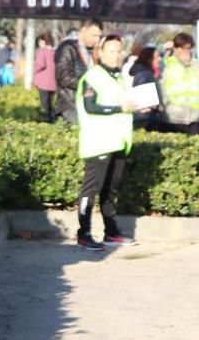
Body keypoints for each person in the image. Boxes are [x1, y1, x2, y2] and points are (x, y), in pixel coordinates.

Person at [74, 34, 137, 250]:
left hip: (118, 142)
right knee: (90, 191)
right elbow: (91, 107)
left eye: (119, 50)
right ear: (100, 53)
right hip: (98, 143)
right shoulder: (93, 76)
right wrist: (120, 108)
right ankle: (84, 234)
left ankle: (111, 232)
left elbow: (123, 106)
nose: (116, 55)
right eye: (111, 50)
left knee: (110, 191)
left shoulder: (117, 77)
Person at [55, 18, 103, 124]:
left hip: (89, 103)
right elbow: (63, 77)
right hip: (70, 105)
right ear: (83, 31)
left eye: (99, 36)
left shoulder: (93, 52)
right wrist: (88, 86)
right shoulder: (68, 48)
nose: (97, 40)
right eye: (94, 35)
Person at [159, 33, 198, 134]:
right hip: (172, 118)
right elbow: (147, 54)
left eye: (188, 48)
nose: (185, 52)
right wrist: (162, 47)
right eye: (182, 48)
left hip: (195, 119)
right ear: (175, 48)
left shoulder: (196, 66)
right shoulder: (166, 65)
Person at [128, 46, 161, 131]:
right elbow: (144, 101)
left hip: (141, 118)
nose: (160, 59)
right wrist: (157, 106)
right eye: (157, 57)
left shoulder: (142, 72)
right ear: (149, 58)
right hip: (145, 119)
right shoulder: (146, 74)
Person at [32, 33, 56, 122]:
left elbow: (41, 64)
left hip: (43, 82)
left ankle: (46, 121)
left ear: (43, 41)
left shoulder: (41, 51)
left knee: (44, 105)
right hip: (53, 83)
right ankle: (53, 119)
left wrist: (34, 69)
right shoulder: (54, 51)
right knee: (50, 103)